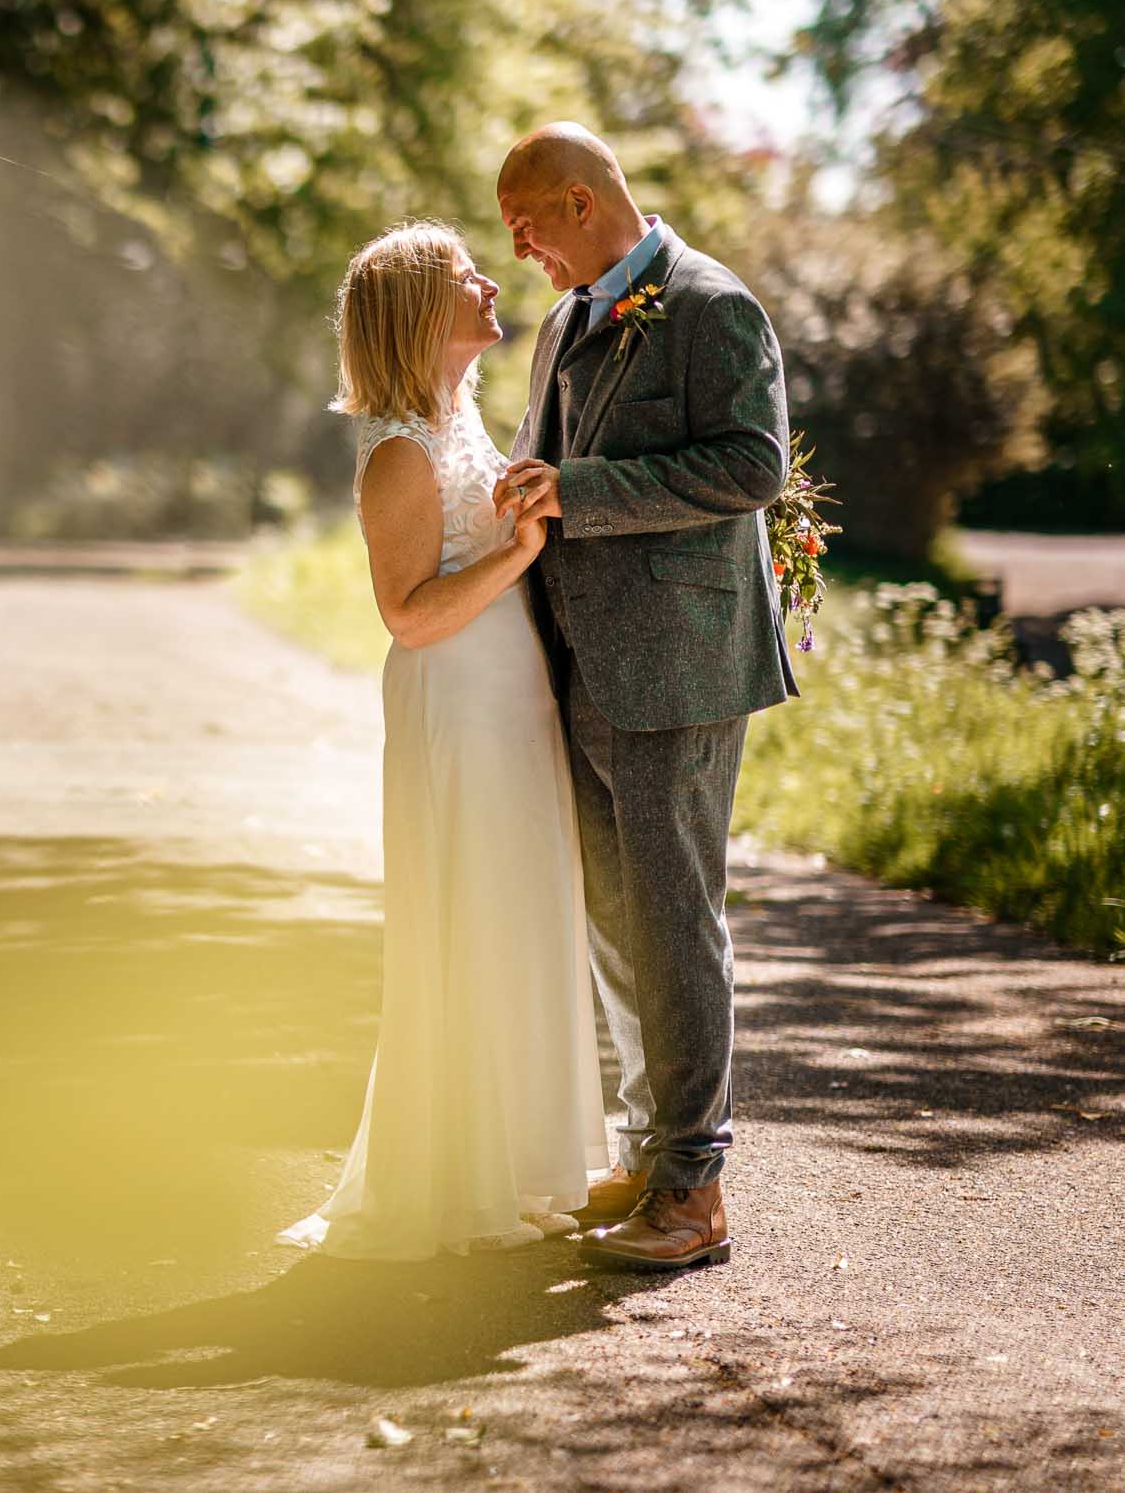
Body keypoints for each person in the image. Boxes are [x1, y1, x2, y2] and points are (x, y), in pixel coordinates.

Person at [273, 219, 613, 1260]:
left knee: (519, 910)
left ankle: (523, 1165)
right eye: (464, 273)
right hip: (456, 702)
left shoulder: (459, 417)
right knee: (471, 913)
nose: (485, 280)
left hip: (512, 698)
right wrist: (520, 550)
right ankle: (461, 1173)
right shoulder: (398, 454)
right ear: (424, 311)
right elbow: (408, 615)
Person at [493, 122, 796, 1271]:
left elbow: (750, 465)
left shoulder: (712, 306)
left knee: (674, 923)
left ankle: (694, 1189)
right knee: (613, 920)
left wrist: (580, 489)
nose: (519, 250)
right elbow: (540, 462)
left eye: (525, 227)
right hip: (577, 661)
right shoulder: (567, 317)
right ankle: (645, 1148)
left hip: (677, 663)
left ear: (579, 203)